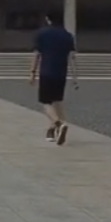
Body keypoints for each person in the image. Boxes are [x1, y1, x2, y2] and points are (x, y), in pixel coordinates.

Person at [30, 10, 78, 145]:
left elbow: (37, 54)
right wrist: (75, 77)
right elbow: (72, 57)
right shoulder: (68, 36)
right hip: (61, 73)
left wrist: (32, 72)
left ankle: (58, 123)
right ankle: (52, 130)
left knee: (46, 102)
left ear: (48, 19)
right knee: (57, 100)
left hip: (46, 71)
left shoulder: (42, 34)